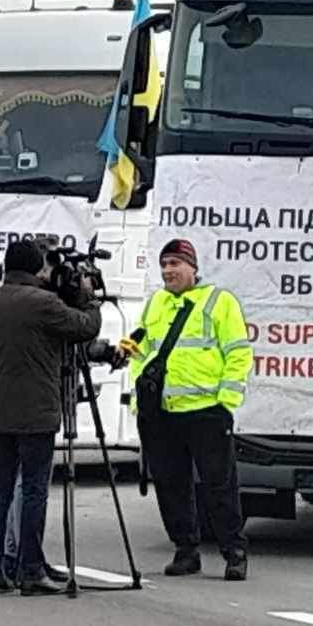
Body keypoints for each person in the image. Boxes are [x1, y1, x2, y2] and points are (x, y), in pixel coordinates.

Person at [0, 237, 102, 595]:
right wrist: (89, 297)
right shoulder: (42, 303)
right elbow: (85, 327)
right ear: (37, 267)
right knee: (33, 489)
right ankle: (30, 569)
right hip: (35, 410)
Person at [123, 238, 253, 580]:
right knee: (171, 485)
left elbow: (238, 352)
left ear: (192, 268)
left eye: (175, 264)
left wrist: (226, 401)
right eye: (164, 264)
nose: (168, 271)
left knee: (219, 485)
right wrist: (140, 397)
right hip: (163, 412)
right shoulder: (156, 303)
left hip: (206, 410)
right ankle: (185, 550)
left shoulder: (219, 301)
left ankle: (234, 552)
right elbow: (141, 353)